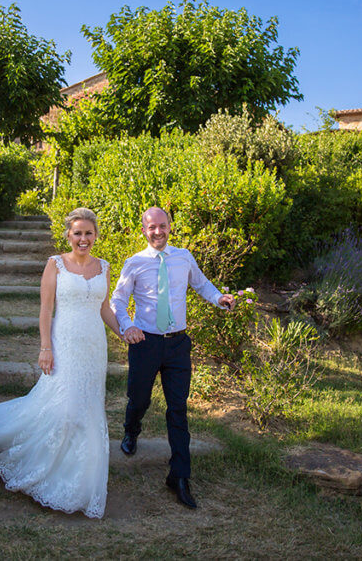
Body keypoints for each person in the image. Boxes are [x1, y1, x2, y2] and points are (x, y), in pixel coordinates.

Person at [0, 207, 119, 519]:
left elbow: (105, 308)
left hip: (94, 346)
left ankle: (81, 479)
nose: (83, 238)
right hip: (64, 342)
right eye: (77, 233)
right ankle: (43, 465)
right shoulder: (55, 264)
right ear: (69, 235)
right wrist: (45, 347)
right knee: (64, 406)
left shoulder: (104, 266)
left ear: (96, 235)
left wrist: (124, 330)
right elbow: (45, 309)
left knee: (88, 406)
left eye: (88, 233)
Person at [110, 206, 235, 509]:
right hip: (145, 343)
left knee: (178, 409)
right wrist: (127, 327)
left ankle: (179, 476)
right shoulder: (135, 263)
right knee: (139, 399)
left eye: (162, 226)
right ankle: (132, 429)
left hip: (178, 344)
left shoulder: (184, 258)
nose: (157, 232)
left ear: (170, 227)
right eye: (151, 227)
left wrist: (219, 298)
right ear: (144, 230)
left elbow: (202, 284)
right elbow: (117, 299)